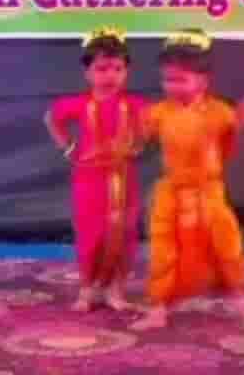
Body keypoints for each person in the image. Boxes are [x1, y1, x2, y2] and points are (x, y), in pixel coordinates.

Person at [130, 29, 244, 331]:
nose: (172, 86)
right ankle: (158, 308)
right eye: (167, 80)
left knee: (226, 246)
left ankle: (239, 298)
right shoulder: (159, 112)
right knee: (163, 251)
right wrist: (134, 130)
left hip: (208, 193)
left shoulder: (220, 112)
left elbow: (228, 148)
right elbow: (136, 142)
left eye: (180, 80)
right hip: (171, 192)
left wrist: (241, 126)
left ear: (203, 80)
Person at [44, 27, 146, 312]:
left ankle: (116, 290)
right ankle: (88, 289)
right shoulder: (78, 104)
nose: (110, 75)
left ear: (126, 72)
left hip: (125, 180)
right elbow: (51, 118)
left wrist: (135, 145)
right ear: (87, 73)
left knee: (124, 234)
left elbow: (148, 129)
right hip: (89, 181)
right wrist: (69, 149)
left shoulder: (134, 105)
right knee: (91, 235)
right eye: (102, 69)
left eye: (117, 69)